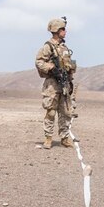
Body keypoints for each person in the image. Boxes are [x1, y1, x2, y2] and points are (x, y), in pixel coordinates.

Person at [34, 17, 76, 149]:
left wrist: (70, 78)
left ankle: (64, 138)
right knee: (51, 112)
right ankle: (48, 138)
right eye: (63, 29)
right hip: (52, 84)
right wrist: (51, 68)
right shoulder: (48, 46)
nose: (65, 31)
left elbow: (68, 65)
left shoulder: (64, 47)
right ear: (57, 30)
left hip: (64, 83)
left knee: (66, 113)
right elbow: (39, 61)